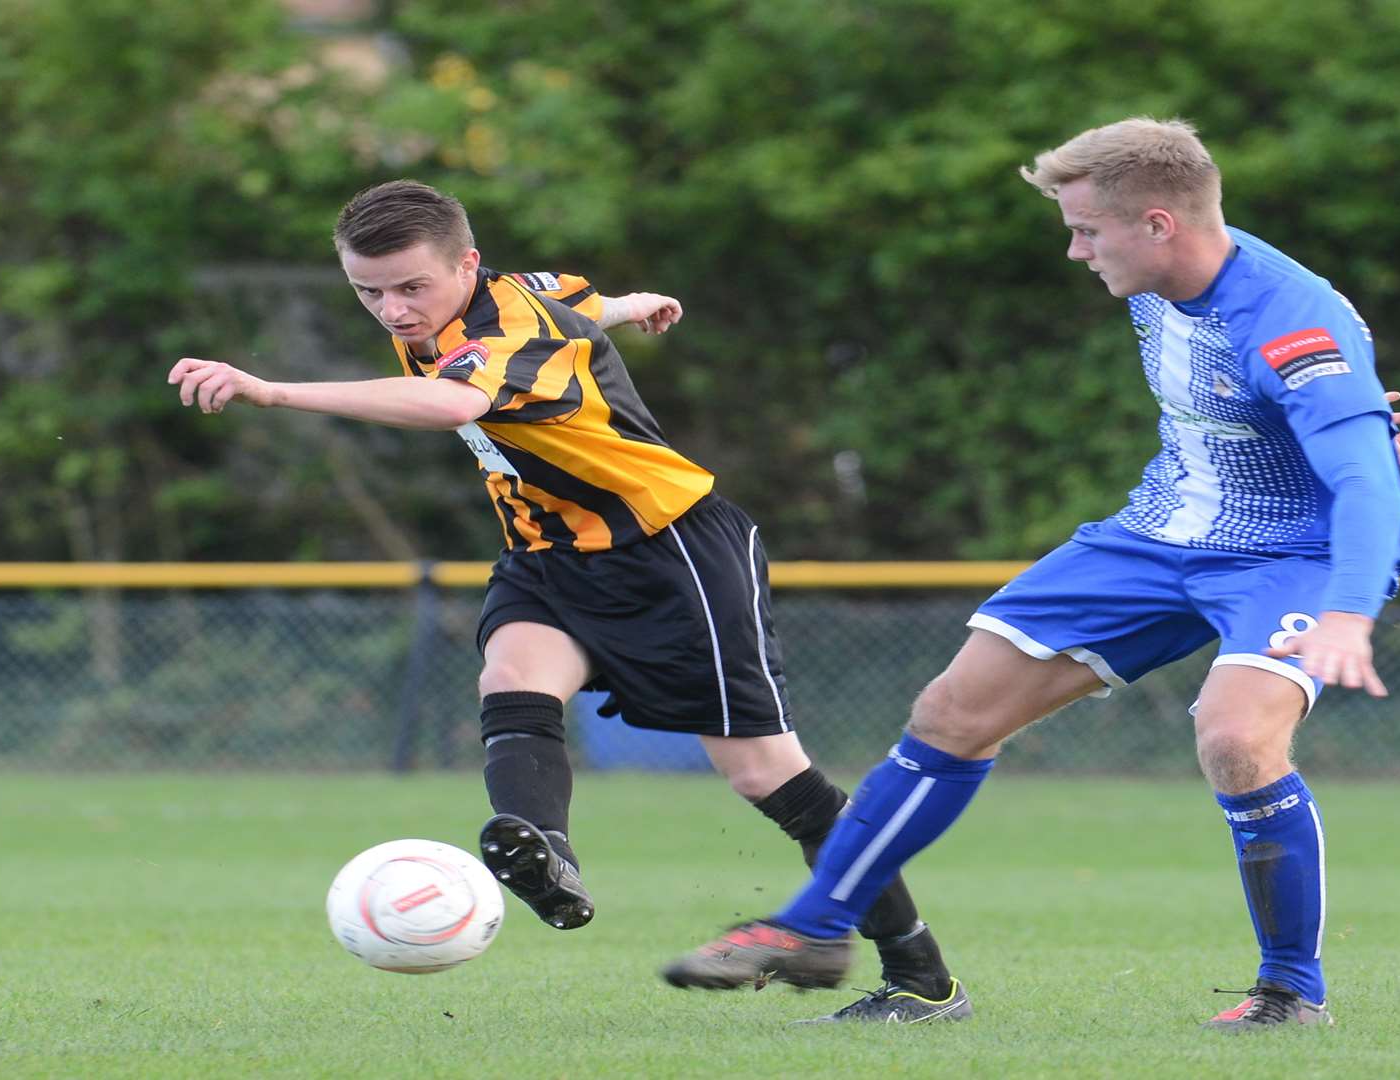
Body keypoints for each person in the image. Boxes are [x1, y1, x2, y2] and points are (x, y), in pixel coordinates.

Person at [660, 117, 1400, 1032]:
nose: (1074, 250)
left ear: (1157, 224)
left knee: (1234, 740)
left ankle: (1291, 992)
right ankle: (816, 927)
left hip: (1294, 555)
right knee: (950, 711)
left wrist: (1349, 611)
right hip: (1156, 535)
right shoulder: (1158, 279)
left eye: (1086, 229)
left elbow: (1367, 477)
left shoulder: (1294, 317)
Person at [167, 180, 969, 1023]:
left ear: (466, 265)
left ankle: (921, 978)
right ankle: (540, 848)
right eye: (368, 290)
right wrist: (629, 306)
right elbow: (572, 294)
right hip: (549, 553)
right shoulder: (503, 293)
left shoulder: (500, 332)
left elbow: (455, 401)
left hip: (671, 550)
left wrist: (276, 392)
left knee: (766, 774)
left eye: (412, 287)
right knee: (510, 675)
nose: (392, 310)